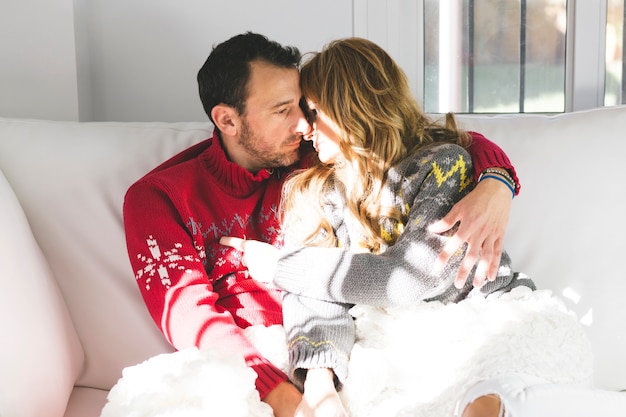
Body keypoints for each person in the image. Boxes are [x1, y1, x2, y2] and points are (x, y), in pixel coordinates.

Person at [222, 37, 626, 417]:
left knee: (495, 399)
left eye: (311, 112)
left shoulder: (441, 165)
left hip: (492, 320)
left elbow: (405, 280)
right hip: (409, 349)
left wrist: (282, 265)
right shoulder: (319, 190)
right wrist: (320, 381)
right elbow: (316, 293)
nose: (304, 129)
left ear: (351, 107)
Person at [124, 32, 522, 417]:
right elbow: (193, 320)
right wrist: (282, 397)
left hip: (342, 346)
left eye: (303, 107)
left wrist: (495, 182)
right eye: (282, 111)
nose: (303, 125)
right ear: (227, 120)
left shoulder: (314, 159)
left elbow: (419, 142)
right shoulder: (160, 199)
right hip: (258, 368)